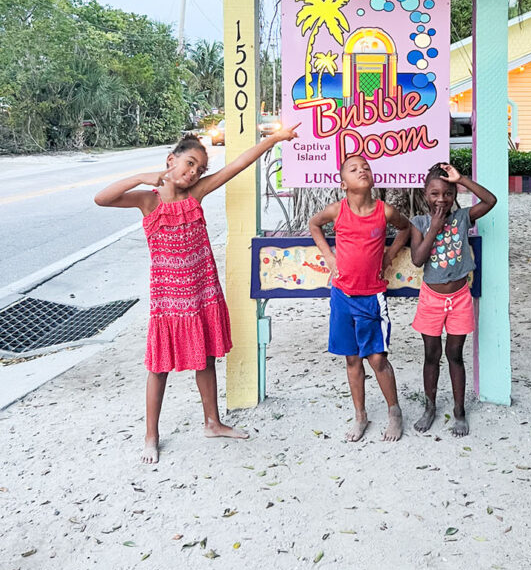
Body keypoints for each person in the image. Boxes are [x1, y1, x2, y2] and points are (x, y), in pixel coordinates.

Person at [94, 125, 299, 464]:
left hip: (202, 289)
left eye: (199, 169)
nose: (192, 173)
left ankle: (212, 422)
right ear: (170, 160)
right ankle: (151, 435)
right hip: (168, 298)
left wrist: (275, 139)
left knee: (205, 357)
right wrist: (139, 177)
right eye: (189, 164)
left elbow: (237, 165)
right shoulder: (149, 200)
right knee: (159, 366)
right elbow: (101, 198)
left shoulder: (196, 195)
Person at [308, 155, 411, 442]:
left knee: (377, 358)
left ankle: (394, 412)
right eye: (354, 169)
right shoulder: (335, 211)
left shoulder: (384, 211)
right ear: (343, 184)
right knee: (352, 359)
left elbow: (406, 228)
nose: (362, 170)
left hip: (372, 298)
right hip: (342, 295)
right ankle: (360, 415)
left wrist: (390, 255)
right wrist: (329, 256)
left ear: (373, 178)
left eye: (365, 167)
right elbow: (314, 224)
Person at [410, 162, 496, 437]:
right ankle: (430, 407)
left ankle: (459, 412)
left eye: (448, 193)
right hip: (431, 299)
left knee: (455, 355)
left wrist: (462, 179)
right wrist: (434, 227)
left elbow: (490, 200)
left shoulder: (462, 219)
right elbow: (418, 259)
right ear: (425, 194)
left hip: (459, 298)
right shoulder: (419, 223)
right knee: (431, 355)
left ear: (455, 193)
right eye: (435, 194)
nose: (442, 199)